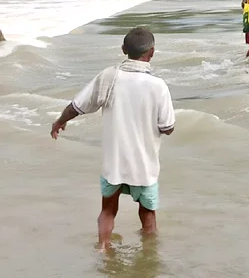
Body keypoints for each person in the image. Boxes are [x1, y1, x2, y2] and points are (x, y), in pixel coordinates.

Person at [50, 27, 176, 250]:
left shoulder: (109, 77)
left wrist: (60, 121)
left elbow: (78, 106)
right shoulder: (158, 86)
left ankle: (103, 248)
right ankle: (147, 259)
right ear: (152, 52)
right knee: (148, 215)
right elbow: (168, 128)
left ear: (123, 50)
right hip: (144, 167)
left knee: (108, 210)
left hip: (114, 165)